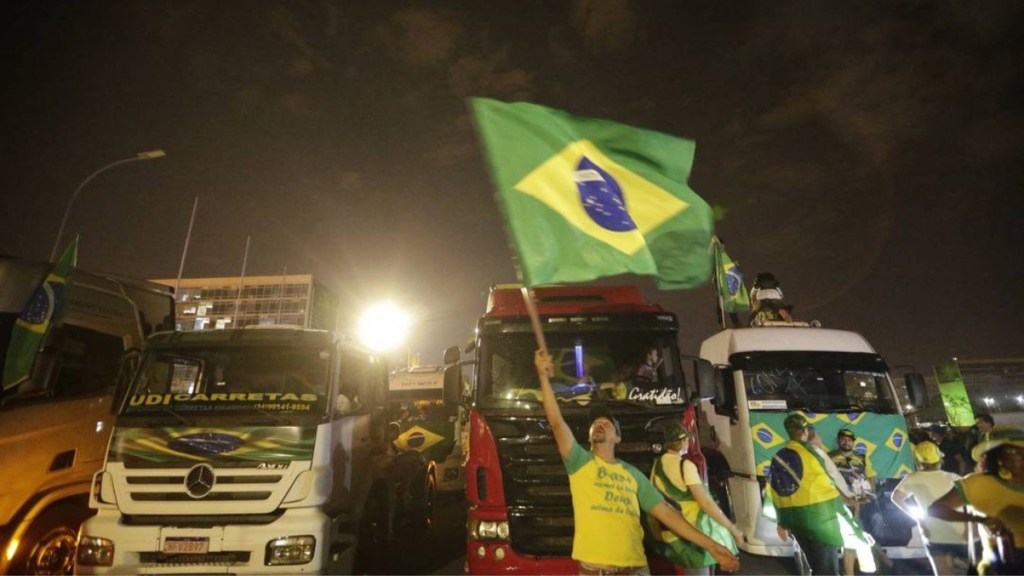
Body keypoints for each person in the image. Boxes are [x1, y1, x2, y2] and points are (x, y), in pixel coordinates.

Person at [534, 350, 739, 575]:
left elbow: (669, 515)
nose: (600, 424)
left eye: (606, 422)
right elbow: (556, 421)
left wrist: (713, 545)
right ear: (589, 435)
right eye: (595, 424)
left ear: (618, 438)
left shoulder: (633, 475)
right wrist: (543, 377)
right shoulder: (579, 462)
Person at [769, 414, 870, 576]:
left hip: (796, 520)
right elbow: (828, 485)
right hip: (821, 521)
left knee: (814, 565)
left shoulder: (779, 456)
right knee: (826, 570)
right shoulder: (812, 454)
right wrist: (847, 503)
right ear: (805, 431)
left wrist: (781, 522)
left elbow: (775, 490)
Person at [648, 423, 742, 575]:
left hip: (669, 533)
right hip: (693, 533)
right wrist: (731, 528)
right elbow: (705, 503)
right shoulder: (686, 466)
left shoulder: (657, 465)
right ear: (683, 442)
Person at [929, 426, 1024, 575]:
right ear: (997, 456)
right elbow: (936, 509)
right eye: (1013, 451)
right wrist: (980, 520)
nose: (1021, 455)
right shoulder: (978, 484)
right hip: (1000, 566)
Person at [891, 440, 969, 575]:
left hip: (934, 531)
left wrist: (919, 520)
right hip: (960, 531)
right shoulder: (953, 478)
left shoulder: (912, 478)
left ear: (917, 461)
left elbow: (896, 497)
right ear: (939, 459)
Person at [829, 428, 878, 576]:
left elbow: (871, 476)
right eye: (843, 439)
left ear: (853, 442)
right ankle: (848, 573)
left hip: (861, 502)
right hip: (839, 501)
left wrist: (868, 494)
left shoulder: (862, 457)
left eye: (849, 440)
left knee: (861, 535)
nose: (846, 442)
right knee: (847, 537)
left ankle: (863, 569)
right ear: (838, 441)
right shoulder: (829, 457)